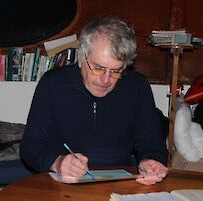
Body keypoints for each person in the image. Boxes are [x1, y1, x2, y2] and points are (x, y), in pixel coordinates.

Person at [20, 16, 168, 185]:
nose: (105, 80)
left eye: (116, 71)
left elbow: (152, 142)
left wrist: (151, 161)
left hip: (120, 185)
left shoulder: (137, 86)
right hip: (61, 184)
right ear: (82, 58)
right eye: (98, 68)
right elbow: (30, 146)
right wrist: (57, 162)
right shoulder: (53, 84)